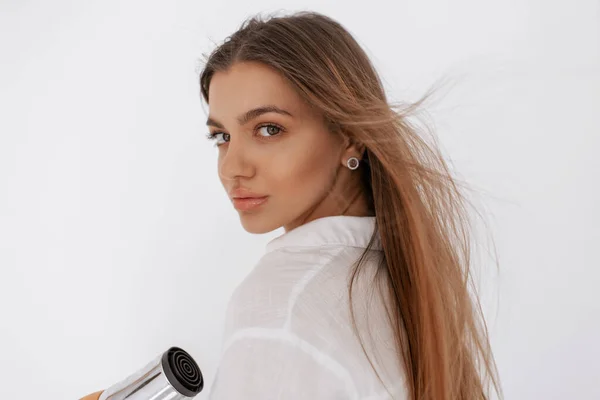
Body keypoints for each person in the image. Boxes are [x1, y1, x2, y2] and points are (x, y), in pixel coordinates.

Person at [200, 11, 501, 400]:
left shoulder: (279, 307)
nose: (232, 168)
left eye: (269, 129)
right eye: (221, 136)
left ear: (349, 136)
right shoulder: (405, 281)